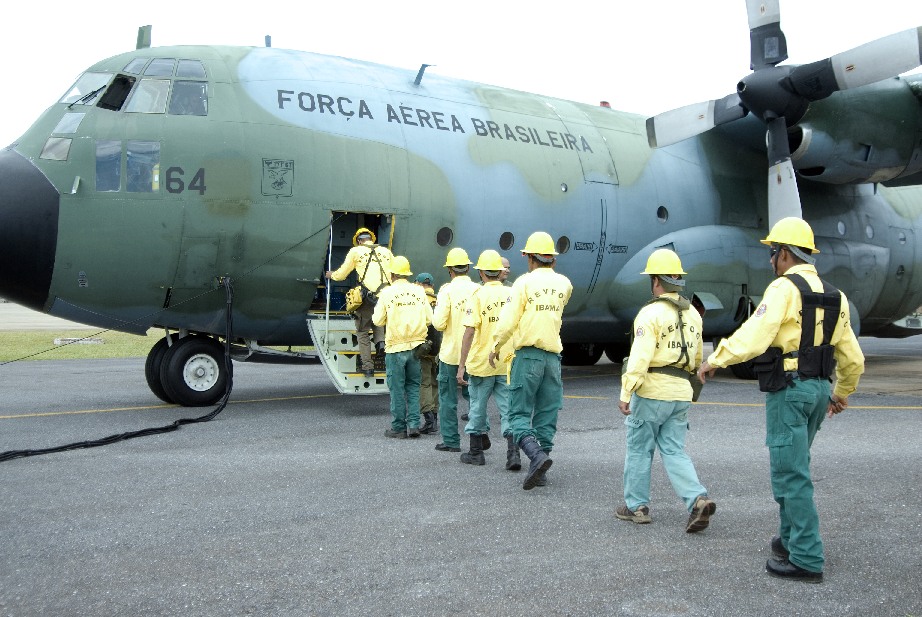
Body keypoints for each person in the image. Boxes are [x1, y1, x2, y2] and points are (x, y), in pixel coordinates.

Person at [698, 217, 865, 584]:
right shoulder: (837, 296)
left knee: (791, 474)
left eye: (772, 253)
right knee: (796, 466)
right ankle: (790, 540)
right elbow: (853, 358)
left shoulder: (783, 289)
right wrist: (841, 393)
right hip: (819, 390)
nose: (771, 261)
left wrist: (716, 358)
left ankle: (806, 556)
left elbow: (756, 334)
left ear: (784, 253)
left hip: (789, 391)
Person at [616, 248, 715, 532]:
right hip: (681, 391)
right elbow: (696, 360)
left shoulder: (651, 313)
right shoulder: (694, 316)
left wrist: (626, 392)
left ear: (656, 281)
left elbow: (640, 357)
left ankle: (637, 507)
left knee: (639, 449)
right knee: (674, 450)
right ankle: (697, 499)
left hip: (651, 391)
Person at [490, 231, 572, 489]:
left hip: (527, 357)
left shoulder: (523, 284)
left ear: (529, 258)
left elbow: (508, 320)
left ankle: (536, 457)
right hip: (552, 359)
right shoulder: (565, 284)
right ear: (553, 260)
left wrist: (496, 346)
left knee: (518, 414)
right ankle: (542, 467)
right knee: (547, 414)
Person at [456, 250, 517, 468]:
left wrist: (461, 366)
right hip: (507, 361)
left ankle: (475, 453)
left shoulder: (477, 296)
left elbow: (470, 332)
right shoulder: (512, 294)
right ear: (500, 272)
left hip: (482, 364)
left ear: (481, 273)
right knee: (509, 409)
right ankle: (513, 454)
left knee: (477, 408)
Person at [372, 256, 433, 438]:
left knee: (397, 389)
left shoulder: (387, 293)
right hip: (416, 348)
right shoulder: (420, 292)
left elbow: (377, 320)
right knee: (414, 387)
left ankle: (399, 427)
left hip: (395, 348)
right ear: (407, 274)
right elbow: (430, 319)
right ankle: (414, 424)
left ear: (392, 274)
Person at [326, 227, 393, 377]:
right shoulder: (386, 252)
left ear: (358, 240)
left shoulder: (356, 252)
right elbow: (394, 274)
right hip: (386, 296)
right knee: (380, 322)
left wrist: (331, 275)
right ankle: (380, 343)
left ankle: (368, 368)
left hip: (367, 297)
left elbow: (342, 274)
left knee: (362, 332)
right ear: (371, 239)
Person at [432, 247, 479, 453]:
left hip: (451, 354)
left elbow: (439, 323)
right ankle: (477, 440)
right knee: (476, 398)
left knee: (448, 399)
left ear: (450, 270)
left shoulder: (446, 290)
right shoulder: (479, 289)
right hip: (475, 353)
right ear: (468, 268)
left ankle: (451, 441)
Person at [415, 272, 440, 434]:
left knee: (424, 383)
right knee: (434, 383)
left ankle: (429, 420)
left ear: (418, 284)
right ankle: (435, 417)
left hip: (423, 347)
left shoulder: (418, 301)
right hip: (439, 349)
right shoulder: (440, 300)